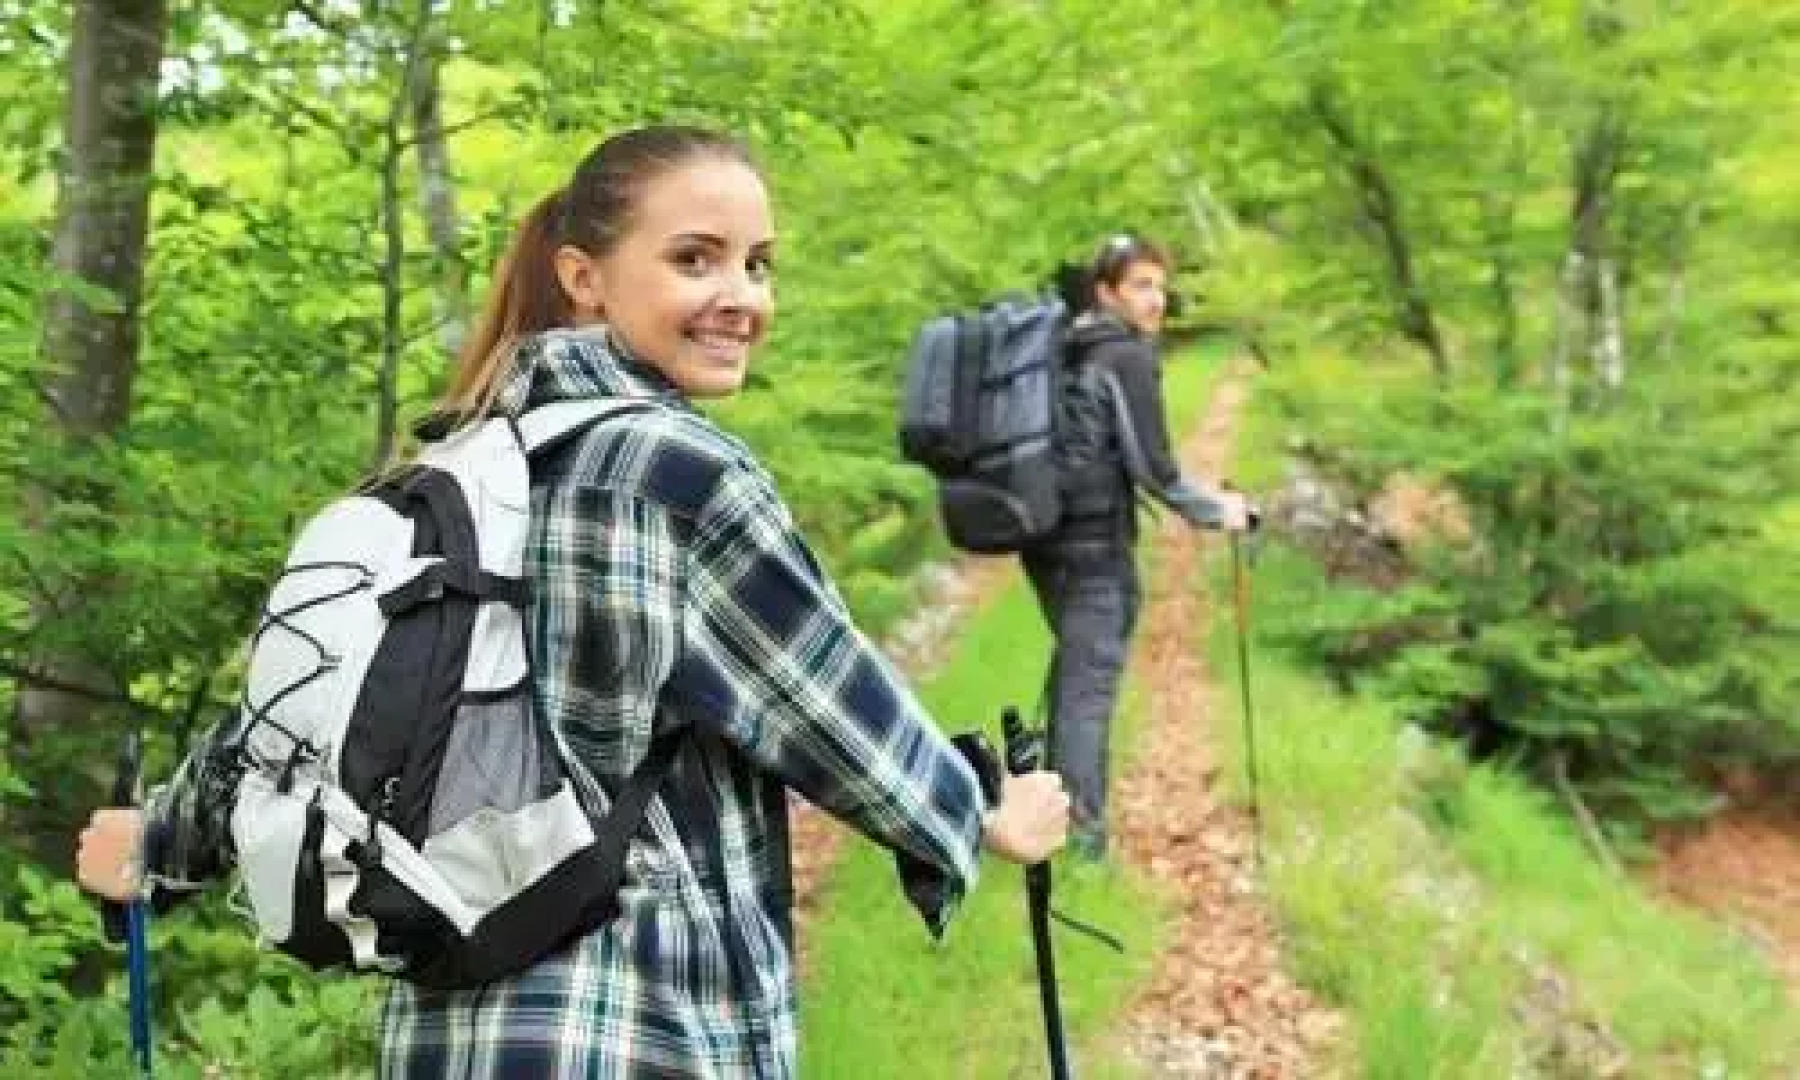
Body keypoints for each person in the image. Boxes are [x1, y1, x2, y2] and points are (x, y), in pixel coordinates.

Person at [76, 124, 1070, 1078]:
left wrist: (158, 842)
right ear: (583, 277)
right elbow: (841, 721)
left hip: (448, 1042)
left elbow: (298, 712)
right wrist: (985, 810)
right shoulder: (681, 476)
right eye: (695, 259)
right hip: (644, 1027)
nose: (741, 296)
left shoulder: (449, 472)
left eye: (758, 264)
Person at [1025, 233, 1252, 861]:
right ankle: (1082, 846)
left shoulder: (1067, 347)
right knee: (1087, 697)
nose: (1156, 300)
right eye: (1140, 286)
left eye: (1161, 286)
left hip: (1045, 542)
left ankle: (1049, 819)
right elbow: (1158, 472)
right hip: (1092, 547)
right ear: (1107, 293)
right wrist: (1223, 512)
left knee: (1073, 681)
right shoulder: (1123, 356)